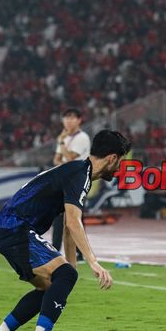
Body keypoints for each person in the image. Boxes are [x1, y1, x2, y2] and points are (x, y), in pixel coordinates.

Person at [0, 130, 130, 331]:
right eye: (120, 161)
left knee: (52, 284)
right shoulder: (79, 176)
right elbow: (74, 222)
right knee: (62, 277)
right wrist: (93, 262)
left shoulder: (78, 172)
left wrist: (70, 266)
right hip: (16, 228)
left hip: (9, 228)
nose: (120, 167)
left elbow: (67, 223)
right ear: (112, 158)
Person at [51, 108, 91, 255]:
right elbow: (56, 159)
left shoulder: (82, 137)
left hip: (77, 181)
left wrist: (61, 142)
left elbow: (69, 157)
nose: (68, 121)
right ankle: (55, 249)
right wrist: (62, 144)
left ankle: (81, 252)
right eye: (66, 118)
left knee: (75, 217)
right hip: (64, 179)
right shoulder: (64, 138)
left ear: (79, 120)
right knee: (59, 215)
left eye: (72, 118)